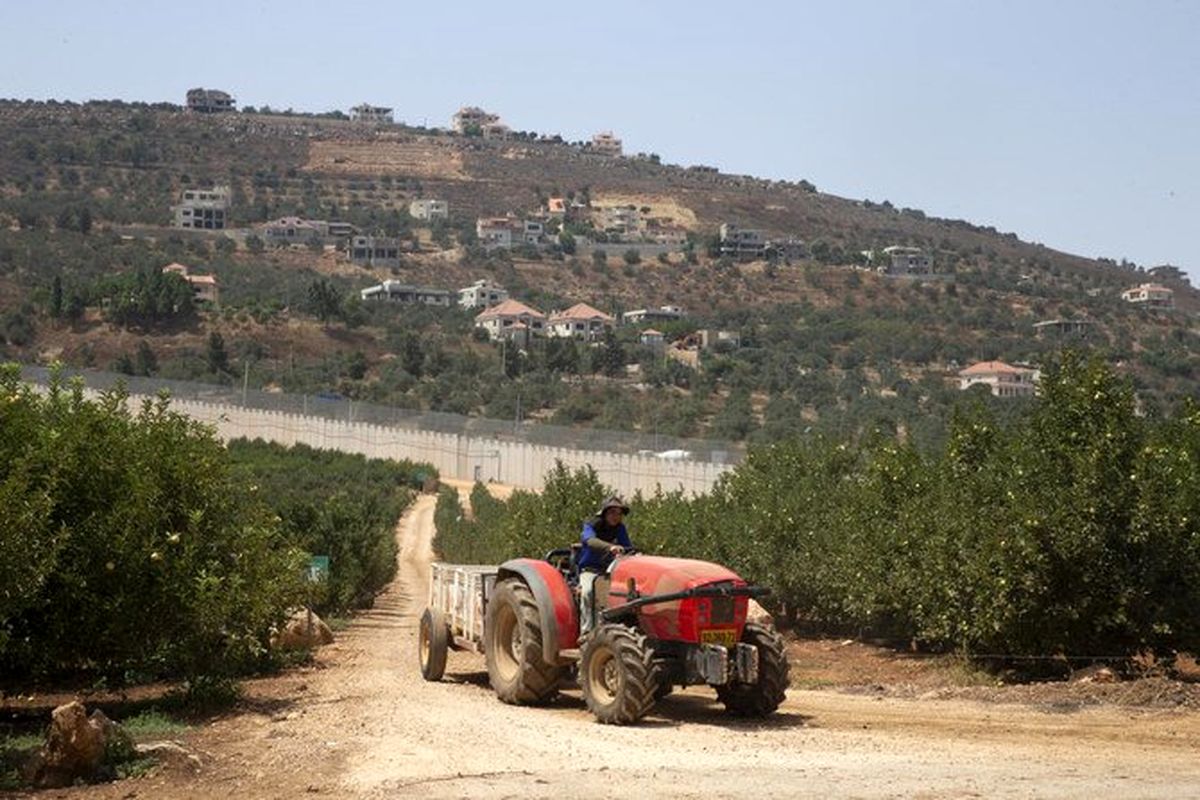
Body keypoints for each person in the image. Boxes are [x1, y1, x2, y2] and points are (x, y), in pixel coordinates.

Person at [578, 495, 633, 638]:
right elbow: (589, 541)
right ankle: (586, 632)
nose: (616, 516)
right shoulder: (591, 525)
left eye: (619, 513)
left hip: (611, 571)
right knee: (587, 592)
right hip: (590, 570)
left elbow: (627, 547)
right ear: (604, 513)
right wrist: (610, 547)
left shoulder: (620, 528)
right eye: (613, 512)